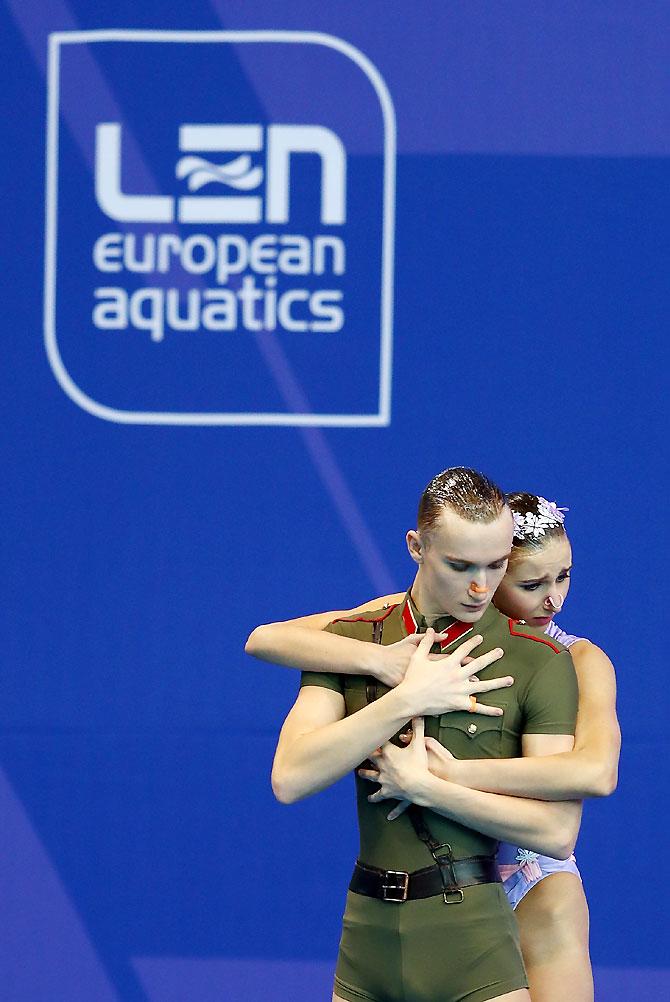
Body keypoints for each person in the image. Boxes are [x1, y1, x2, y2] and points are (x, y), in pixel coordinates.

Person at [247, 490, 620, 1002]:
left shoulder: (573, 658)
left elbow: (595, 774)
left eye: (564, 577)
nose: (552, 599)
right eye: (530, 583)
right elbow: (268, 639)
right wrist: (381, 665)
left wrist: (447, 778)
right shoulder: (402, 617)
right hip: (422, 892)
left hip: (533, 868)